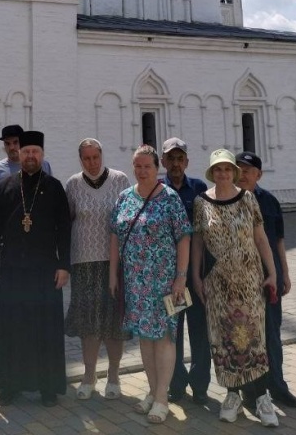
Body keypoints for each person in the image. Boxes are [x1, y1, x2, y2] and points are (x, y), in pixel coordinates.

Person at [191, 148, 279, 428]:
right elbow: (197, 243)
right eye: (218, 169)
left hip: (249, 281)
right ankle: (232, 396)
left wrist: (273, 273)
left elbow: (260, 236)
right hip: (218, 284)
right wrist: (195, 276)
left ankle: (262, 398)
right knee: (224, 339)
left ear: (234, 173)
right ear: (212, 173)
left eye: (228, 169)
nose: (223, 174)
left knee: (254, 337)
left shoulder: (248, 199)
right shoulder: (201, 202)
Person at [0, 130, 71, 406]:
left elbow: (64, 229)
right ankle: (10, 386)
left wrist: (64, 265)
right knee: (13, 327)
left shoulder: (54, 187)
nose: (30, 156)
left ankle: (48, 387)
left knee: (45, 327)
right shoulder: (7, 185)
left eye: (35, 151)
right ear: (18, 154)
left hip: (45, 270)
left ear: (42, 155)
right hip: (12, 269)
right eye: (26, 152)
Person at [109, 144, 191, 425]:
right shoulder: (124, 198)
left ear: (157, 168)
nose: (142, 171)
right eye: (138, 166)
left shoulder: (169, 198)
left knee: (165, 337)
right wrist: (113, 274)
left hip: (166, 282)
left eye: (147, 166)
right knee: (145, 337)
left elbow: (184, 237)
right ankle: (154, 391)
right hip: (135, 281)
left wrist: (181, 277)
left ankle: (162, 398)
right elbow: (114, 237)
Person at [235, 152, 296, 410]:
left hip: (268, 277)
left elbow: (279, 241)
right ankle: (250, 391)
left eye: (247, 170)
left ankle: (277, 386)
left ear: (258, 175)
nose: (242, 174)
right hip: (241, 280)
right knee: (246, 335)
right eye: (238, 169)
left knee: (271, 333)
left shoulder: (270, 202)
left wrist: (284, 272)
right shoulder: (231, 200)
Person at [65, 138, 130, 400]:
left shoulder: (120, 180)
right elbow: (67, 221)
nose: (92, 163)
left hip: (115, 262)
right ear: (80, 160)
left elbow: (127, 220)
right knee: (89, 323)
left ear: (102, 155)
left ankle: (113, 374)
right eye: (86, 158)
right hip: (84, 263)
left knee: (114, 322)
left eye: (96, 157)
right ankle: (89, 375)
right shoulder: (72, 185)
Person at [161, 136, 211, 406]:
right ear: (163, 161)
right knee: (174, 332)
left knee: (201, 332)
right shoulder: (158, 190)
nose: (176, 163)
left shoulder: (200, 188)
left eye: (181, 158)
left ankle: (200, 385)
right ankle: (176, 383)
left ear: (187, 162)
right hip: (172, 277)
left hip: (198, 273)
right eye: (171, 158)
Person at [0, 124, 52, 230]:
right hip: (7, 233)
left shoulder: (43, 165)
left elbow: (51, 197)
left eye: (15, 142)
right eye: (7, 143)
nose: (12, 147)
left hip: (40, 230)